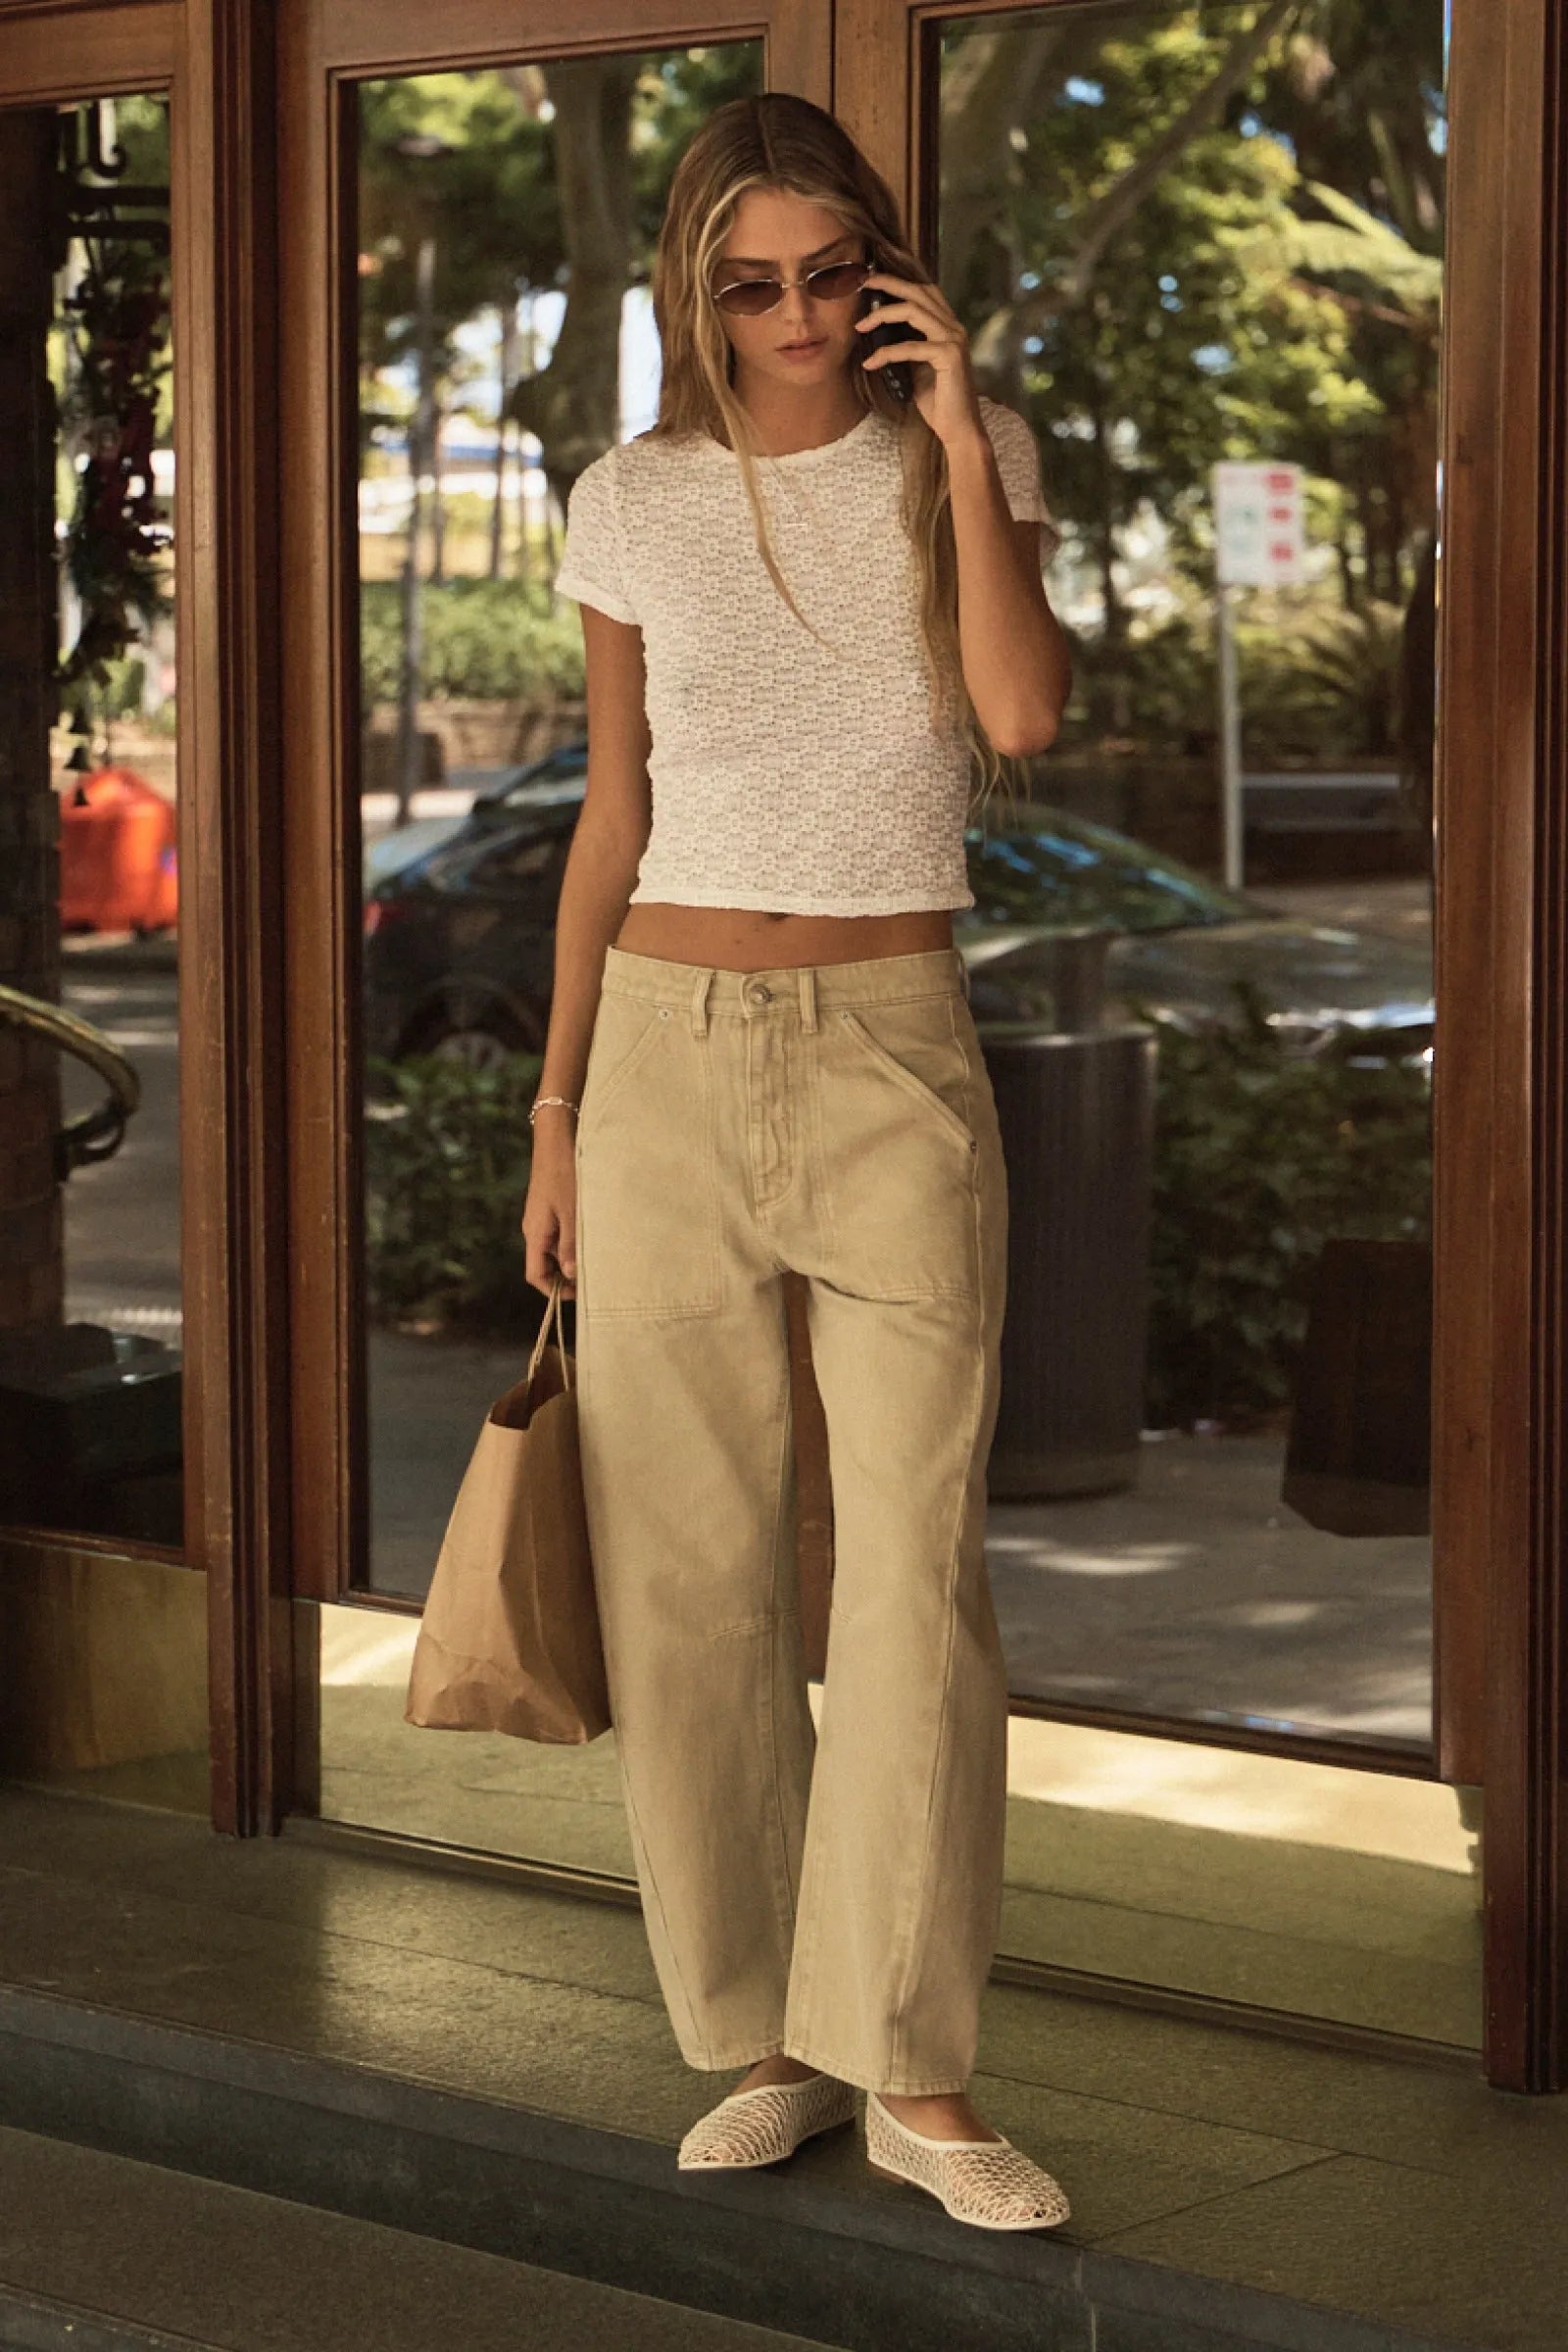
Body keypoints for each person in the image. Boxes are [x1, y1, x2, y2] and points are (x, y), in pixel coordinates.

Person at [522, 91, 1073, 2233]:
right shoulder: (631, 500)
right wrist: (556, 1111)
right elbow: (611, 811)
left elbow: (1020, 718)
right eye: (749, 285)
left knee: (912, 1569)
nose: (794, 318)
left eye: (831, 276)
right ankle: (769, 2041)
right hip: (660, 1051)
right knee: (690, 1572)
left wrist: (956, 445)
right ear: (694, 289)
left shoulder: (965, 461)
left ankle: (915, 2067)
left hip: (890, 1045)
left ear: (886, 274)